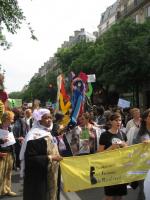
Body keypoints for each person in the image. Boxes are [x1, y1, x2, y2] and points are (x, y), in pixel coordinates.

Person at [20, 108, 63, 200]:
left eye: (50, 117)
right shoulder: (34, 136)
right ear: (39, 120)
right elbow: (30, 159)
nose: (49, 120)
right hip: (39, 175)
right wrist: (50, 157)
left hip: (51, 171)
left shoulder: (47, 132)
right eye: (46, 118)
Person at [99, 112, 128, 200]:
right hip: (109, 169)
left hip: (120, 168)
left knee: (119, 196)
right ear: (111, 122)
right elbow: (99, 154)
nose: (118, 122)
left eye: (120, 120)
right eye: (116, 120)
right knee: (109, 196)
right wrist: (111, 147)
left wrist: (125, 146)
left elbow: (128, 151)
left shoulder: (123, 134)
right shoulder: (104, 135)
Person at [0, 111, 17, 197]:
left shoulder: (10, 128)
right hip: (1, 154)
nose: (13, 120)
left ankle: (7, 189)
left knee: (8, 173)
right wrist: (1, 140)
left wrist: (17, 139)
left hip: (9, 153)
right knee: (0, 173)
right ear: (6, 119)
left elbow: (11, 139)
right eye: (12, 118)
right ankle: (1, 190)